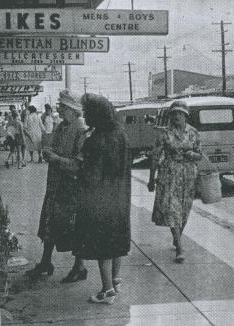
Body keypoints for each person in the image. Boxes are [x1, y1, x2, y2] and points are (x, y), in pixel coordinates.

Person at [74, 93, 131, 304]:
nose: (85, 116)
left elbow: (91, 176)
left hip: (100, 199)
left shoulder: (96, 141)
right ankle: (115, 281)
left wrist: (78, 169)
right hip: (120, 196)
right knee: (117, 240)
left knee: (102, 244)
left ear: (97, 115)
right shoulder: (121, 135)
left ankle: (107, 290)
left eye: (87, 112)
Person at [26, 90, 87, 283]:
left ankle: (80, 266)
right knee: (49, 223)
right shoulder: (62, 127)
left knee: (74, 227)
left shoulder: (81, 129)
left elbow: (79, 163)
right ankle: (45, 262)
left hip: (72, 188)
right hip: (56, 186)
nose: (58, 109)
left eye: (61, 106)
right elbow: (55, 146)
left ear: (71, 109)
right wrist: (49, 152)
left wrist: (56, 158)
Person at [148, 100, 202, 263]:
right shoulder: (164, 134)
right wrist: (151, 178)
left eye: (180, 113)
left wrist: (194, 155)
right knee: (172, 211)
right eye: (174, 114)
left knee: (184, 211)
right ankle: (179, 248)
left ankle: (177, 236)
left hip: (188, 175)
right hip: (169, 174)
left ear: (185, 116)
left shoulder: (193, 133)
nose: (177, 116)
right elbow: (155, 157)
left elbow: (200, 154)